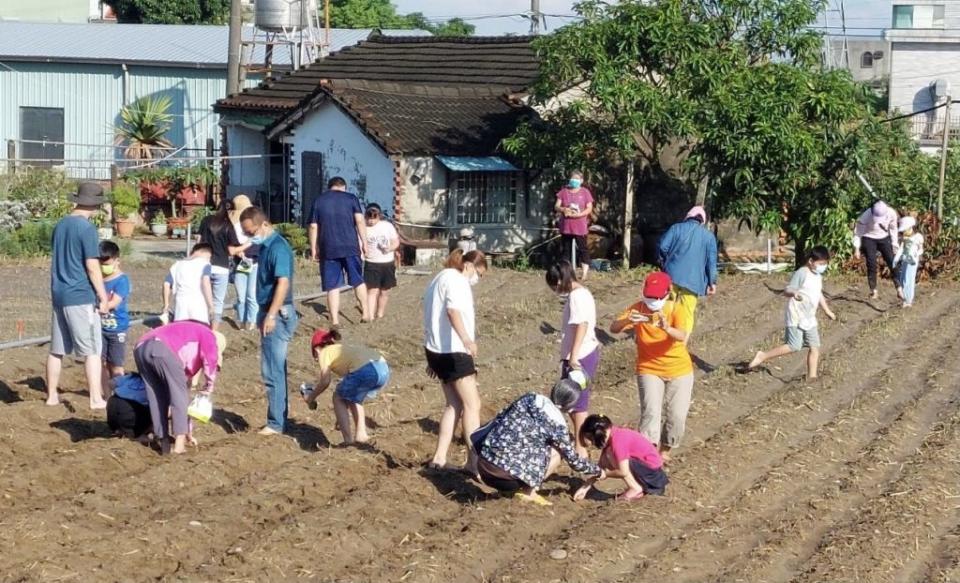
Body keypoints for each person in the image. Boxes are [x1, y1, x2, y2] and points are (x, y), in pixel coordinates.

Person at [470, 379, 604, 506]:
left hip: (483, 465)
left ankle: (510, 485)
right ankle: (529, 492)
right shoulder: (559, 425)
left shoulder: (529, 397)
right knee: (558, 451)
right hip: (506, 478)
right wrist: (598, 471)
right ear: (570, 406)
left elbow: (500, 417)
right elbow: (573, 461)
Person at [610, 272, 692, 462]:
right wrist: (628, 320)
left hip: (679, 370)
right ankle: (648, 456)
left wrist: (666, 328)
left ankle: (665, 450)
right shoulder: (638, 309)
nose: (653, 301)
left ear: (668, 292)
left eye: (657, 298)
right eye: (649, 297)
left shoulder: (676, 310)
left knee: (676, 417)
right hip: (649, 368)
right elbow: (613, 328)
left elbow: (682, 335)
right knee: (650, 414)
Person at [46, 181, 110, 409]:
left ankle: (52, 395)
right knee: (92, 349)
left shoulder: (61, 224)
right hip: (80, 295)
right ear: (96, 205)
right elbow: (92, 266)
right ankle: (95, 398)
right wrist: (103, 297)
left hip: (59, 293)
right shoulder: (86, 229)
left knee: (57, 349)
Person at [423, 249, 487, 472]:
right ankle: (474, 462)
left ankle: (439, 458)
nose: (477, 279)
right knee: (473, 405)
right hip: (455, 352)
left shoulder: (438, 278)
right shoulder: (458, 280)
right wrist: (467, 340)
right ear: (469, 265)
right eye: (479, 273)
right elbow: (452, 312)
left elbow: (432, 315)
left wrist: (432, 357)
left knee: (454, 404)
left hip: (436, 351)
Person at [239, 206, 300, 436]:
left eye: (250, 231)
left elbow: (282, 283)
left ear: (263, 224)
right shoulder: (264, 246)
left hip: (277, 314)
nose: (248, 236)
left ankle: (276, 423)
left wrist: (271, 315)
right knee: (275, 368)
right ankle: (279, 418)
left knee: (272, 370)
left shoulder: (278, 248)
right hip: (268, 311)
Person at [133, 321, 225, 454]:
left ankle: (163, 440)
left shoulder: (189, 339)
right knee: (178, 395)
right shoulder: (209, 335)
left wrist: (188, 430)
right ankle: (179, 446)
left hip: (141, 348)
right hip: (162, 347)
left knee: (156, 395)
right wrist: (209, 387)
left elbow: (181, 395)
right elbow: (210, 361)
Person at [748, 246, 837, 381]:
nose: (823, 266)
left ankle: (812, 377)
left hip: (809, 317)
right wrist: (795, 293)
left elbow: (818, 294)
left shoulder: (818, 276)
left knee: (815, 346)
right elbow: (787, 290)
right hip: (796, 315)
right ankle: (763, 355)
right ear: (811, 261)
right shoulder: (802, 273)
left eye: (825, 264)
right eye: (821, 264)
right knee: (794, 346)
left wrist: (827, 311)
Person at [545, 260, 600, 458]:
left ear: (560, 280)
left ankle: (580, 447)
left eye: (554, 285)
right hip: (581, 354)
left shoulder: (578, 296)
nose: (554, 289)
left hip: (581, 355)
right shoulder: (580, 294)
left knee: (577, 403)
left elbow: (581, 325)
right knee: (573, 403)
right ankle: (581, 441)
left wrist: (574, 357)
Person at [301, 328, 390, 444]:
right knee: (354, 398)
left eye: (315, 357)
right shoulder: (340, 350)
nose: (317, 360)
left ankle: (348, 440)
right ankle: (361, 435)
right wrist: (341, 415)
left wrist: (311, 397)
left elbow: (325, 381)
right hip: (383, 368)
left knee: (337, 397)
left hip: (367, 369)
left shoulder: (324, 353)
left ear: (316, 350)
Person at [308, 176, 370, 325]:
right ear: (344, 187)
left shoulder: (319, 200)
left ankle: (335, 320)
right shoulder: (351, 199)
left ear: (329, 187)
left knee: (332, 285)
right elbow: (360, 220)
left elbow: (313, 226)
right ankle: (366, 313)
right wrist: (364, 242)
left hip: (328, 248)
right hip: (350, 247)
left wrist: (313, 247)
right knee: (357, 280)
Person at [574, 414, 668, 501]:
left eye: (593, 442)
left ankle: (635, 488)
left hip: (653, 476)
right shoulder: (613, 436)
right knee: (608, 456)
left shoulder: (617, 442)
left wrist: (606, 473)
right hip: (651, 473)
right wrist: (585, 488)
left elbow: (623, 471)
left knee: (612, 456)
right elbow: (600, 467)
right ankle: (637, 486)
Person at [657, 205, 719, 333]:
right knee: (686, 313)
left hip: (671, 276)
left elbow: (663, 246)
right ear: (703, 220)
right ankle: (681, 342)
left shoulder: (676, 228)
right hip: (693, 282)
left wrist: (664, 262)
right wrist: (712, 282)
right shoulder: (709, 237)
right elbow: (712, 263)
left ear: (688, 216)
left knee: (667, 306)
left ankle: (661, 335)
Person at [199, 199, 242, 330]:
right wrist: (247, 246)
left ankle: (201, 326)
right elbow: (231, 250)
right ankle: (213, 331)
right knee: (218, 301)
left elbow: (198, 241)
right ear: (232, 211)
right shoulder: (228, 226)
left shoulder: (206, 220)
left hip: (204, 264)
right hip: (221, 266)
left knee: (203, 297)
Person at [99, 241, 132, 397]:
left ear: (117, 261)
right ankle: (106, 395)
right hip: (100, 329)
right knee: (100, 363)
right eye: (102, 264)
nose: (104, 267)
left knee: (116, 365)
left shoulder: (122, 281)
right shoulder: (99, 279)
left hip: (117, 329)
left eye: (107, 263)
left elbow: (113, 303)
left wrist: (98, 308)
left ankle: (120, 395)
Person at [854, 200, 900, 300]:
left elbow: (893, 229)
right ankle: (873, 290)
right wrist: (857, 248)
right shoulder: (866, 216)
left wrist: (894, 246)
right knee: (871, 263)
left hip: (884, 237)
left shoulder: (891, 213)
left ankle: (899, 287)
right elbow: (858, 233)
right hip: (869, 237)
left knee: (892, 261)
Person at [362, 203, 400, 320]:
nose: (371, 220)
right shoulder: (363, 228)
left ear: (379, 216)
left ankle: (380, 314)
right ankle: (370, 316)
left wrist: (390, 248)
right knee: (372, 290)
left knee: (385, 291)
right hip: (371, 262)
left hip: (387, 262)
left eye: (375, 217)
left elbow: (395, 241)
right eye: (369, 217)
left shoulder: (387, 226)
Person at [554, 170, 594, 280]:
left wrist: (580, 214)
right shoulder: (564, 191)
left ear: (581, 180)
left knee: (583, 249)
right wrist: (563, 209)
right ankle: (565, 274)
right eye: (573, 178)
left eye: (577, 179)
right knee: (565, 250)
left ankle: (584, 273)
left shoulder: (585, 192)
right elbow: (556, 206)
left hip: (580, 226)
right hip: (566, 226)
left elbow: (589, 208)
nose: (574, 180)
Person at [162, 243, 215, 325]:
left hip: (180, 310)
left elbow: (166, 284)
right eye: (209, 257)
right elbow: (206, 282)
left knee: (183, 335)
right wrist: (211, 306)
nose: (209, 259)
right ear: (202, 252)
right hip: (199, 309)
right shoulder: (205, 264)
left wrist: (166, 305)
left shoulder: (177, 265)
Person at [229, 195, 260, 331]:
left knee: (251, 295)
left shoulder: (257, 227)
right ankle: (242, 320)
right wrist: (239, 252)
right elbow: (231, 247)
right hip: (239, 265)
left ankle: (252, 321)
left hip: (254, 263)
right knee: (241, 296)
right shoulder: (234, 228)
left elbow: (260, 245)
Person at [106, 373, 152, 439]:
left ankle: (118, 429)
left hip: (112, 409)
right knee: (153, 410)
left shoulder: (132, 376)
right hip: (128, 414)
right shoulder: (154, 384)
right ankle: (137, 434)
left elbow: (111, 383)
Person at [894, 216, 924, 308]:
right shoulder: (904, 239)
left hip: (912, 262)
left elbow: (921, 249)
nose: (903, 232)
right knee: (903, 278)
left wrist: (916, 254)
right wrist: (896, 258)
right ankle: (905, 298)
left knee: (908, 280)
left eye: (905, 230)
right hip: (905, 260)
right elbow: (901, 249)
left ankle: (908, 300)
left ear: (910, 227)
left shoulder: (918, 237)